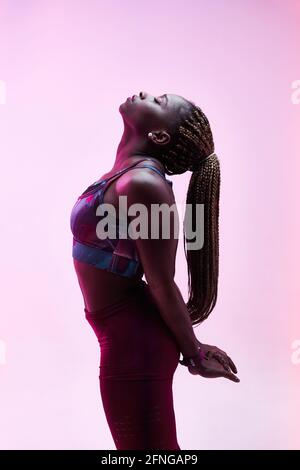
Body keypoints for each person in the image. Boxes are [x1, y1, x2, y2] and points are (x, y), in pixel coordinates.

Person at [70, 91, 240, 450]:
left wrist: (193, 353)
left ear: (159, 136)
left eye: (160, 101)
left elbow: (161, 282)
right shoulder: (129, 176)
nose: (147, 93)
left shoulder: (144, 185)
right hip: (125, 338)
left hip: (135, 347)